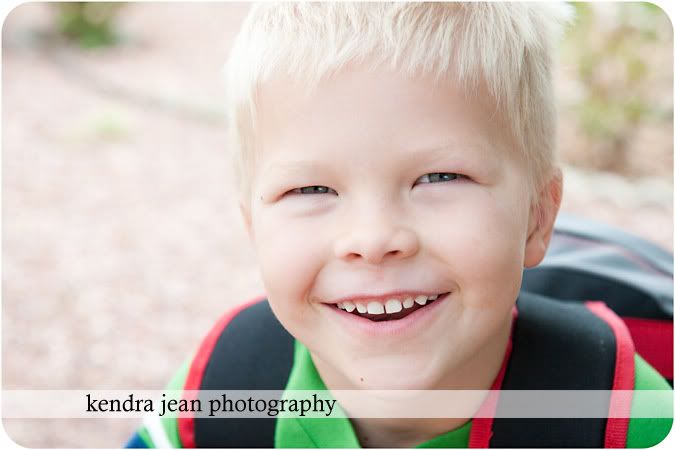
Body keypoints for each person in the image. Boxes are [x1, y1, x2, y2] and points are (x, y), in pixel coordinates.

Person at [126, 3, 672, 448]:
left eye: (439, 177)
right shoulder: (220, 392)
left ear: (537, 215)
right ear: (253, 229)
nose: (373, 239)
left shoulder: (623, 418)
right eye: (311, 190)